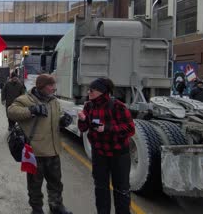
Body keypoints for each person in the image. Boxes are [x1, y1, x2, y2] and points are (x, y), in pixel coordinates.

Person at [8, 74, 72, 214]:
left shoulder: (54, 101)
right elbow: (11, 112)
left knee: (56, 182)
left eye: (54, 85)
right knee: (35, 184)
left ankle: (56, 205)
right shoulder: (25, 99)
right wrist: (31, 110)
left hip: (53, 150)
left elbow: (57, 117)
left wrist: (63, 121)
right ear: (41, 86)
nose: (53, 88)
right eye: (50, 85)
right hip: (34, 152)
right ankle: (36, 209)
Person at [77, 78, 135, 214]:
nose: (88, 92)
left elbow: (130, 129)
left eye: (91, 90)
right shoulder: (89, 106)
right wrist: (82, 120)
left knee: (121, 189)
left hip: (119, 155)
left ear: (101, 92)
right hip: (99, 154)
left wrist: (107, 128)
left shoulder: (117, 106)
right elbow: (84, 129)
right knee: (101, 188)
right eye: (88, 90)